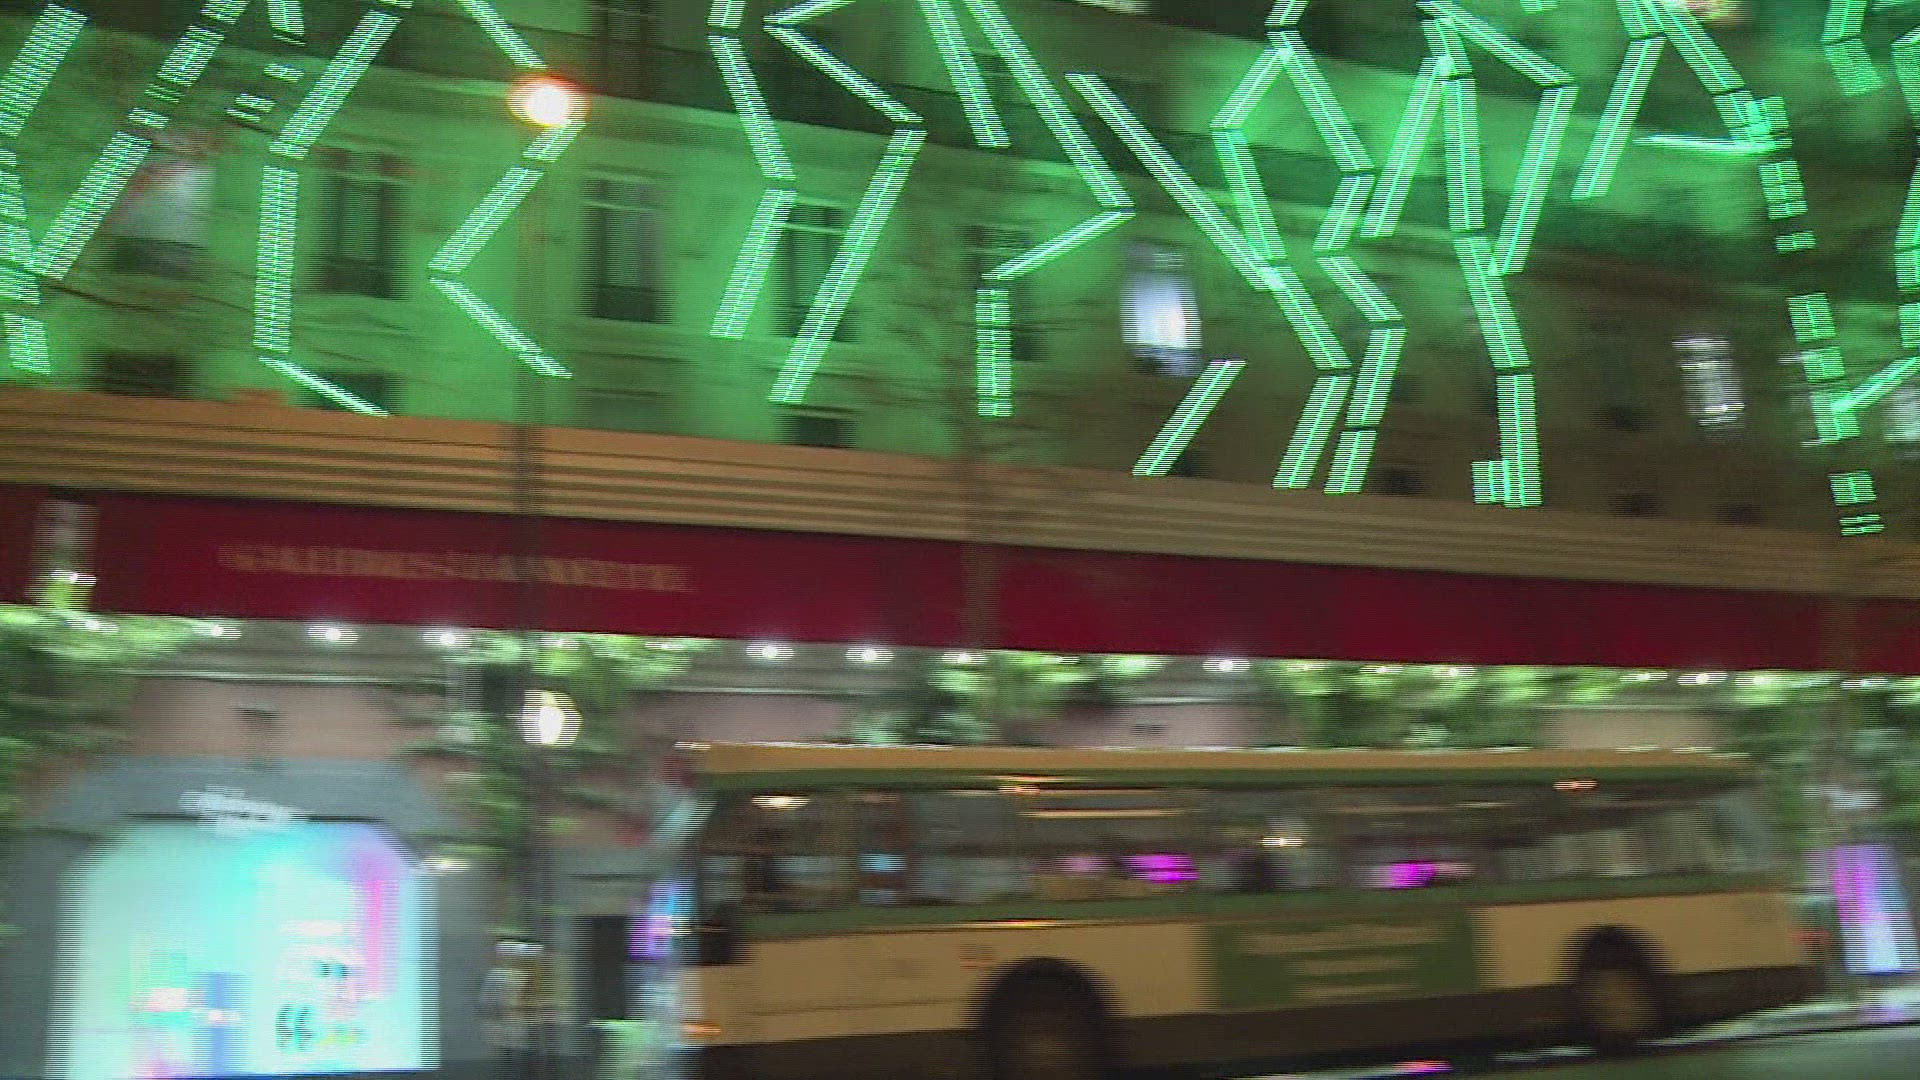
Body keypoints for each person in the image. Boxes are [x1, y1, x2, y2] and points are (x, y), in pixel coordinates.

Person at [481, 940, 532, 1077]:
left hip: (516, 1027)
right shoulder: (498, 975)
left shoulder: (520, 975)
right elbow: (488, 1001)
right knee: (510, 1060)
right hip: (507, 1027)